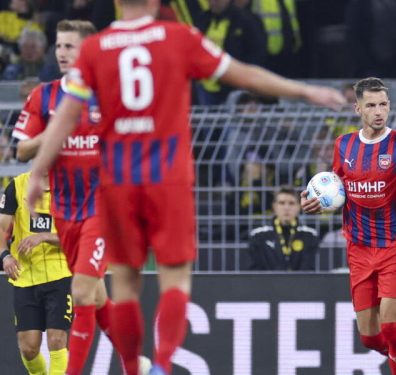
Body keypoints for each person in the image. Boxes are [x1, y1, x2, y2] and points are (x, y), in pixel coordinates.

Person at [26, 1, 346, 374]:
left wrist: (37, 171)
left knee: (125, 286)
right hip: (168, 177)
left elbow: (67, 112)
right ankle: (161, 366)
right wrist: (303, 92)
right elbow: (241, 74)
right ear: (155, 3)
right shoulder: (178, 37)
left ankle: (132, 366)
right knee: (175, 279)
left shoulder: (97, 47)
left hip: (117, 180)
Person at [11, 19, 152, 375]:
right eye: (59, 45)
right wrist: (57, 130)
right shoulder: (43, 97)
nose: (61, 52)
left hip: (102, 211)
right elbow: (22, 150)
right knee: (99, 298)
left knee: (83, 288)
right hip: (65, 213)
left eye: (70, 46)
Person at [301, 77, 396, 374]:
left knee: (393, 329)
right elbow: (334, 189)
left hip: (395, 247)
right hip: (358, 249)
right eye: (371, 105)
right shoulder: (343, 145)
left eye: (383, 104)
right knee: (371, 338)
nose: (378, 111)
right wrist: (314, 201)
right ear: (358, 108)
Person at [1, 171, 70, 375]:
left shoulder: (70, 189)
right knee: (28, 348)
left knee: (57, 339)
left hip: (59, 274)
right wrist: (5, 256)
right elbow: (2, 228)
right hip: (25, 276)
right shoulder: (18, 185)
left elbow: (77, 234)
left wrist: (44, 237)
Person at [243, 186, 320, 271]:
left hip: (300, 284)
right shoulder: (258, 236)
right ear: (274, 206)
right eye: (282, 203)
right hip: (268, 284)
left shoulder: (310, 235)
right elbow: (254, 270)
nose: (286, 208)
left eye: (291, 203)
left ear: (299, 207)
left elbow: (309, 269)